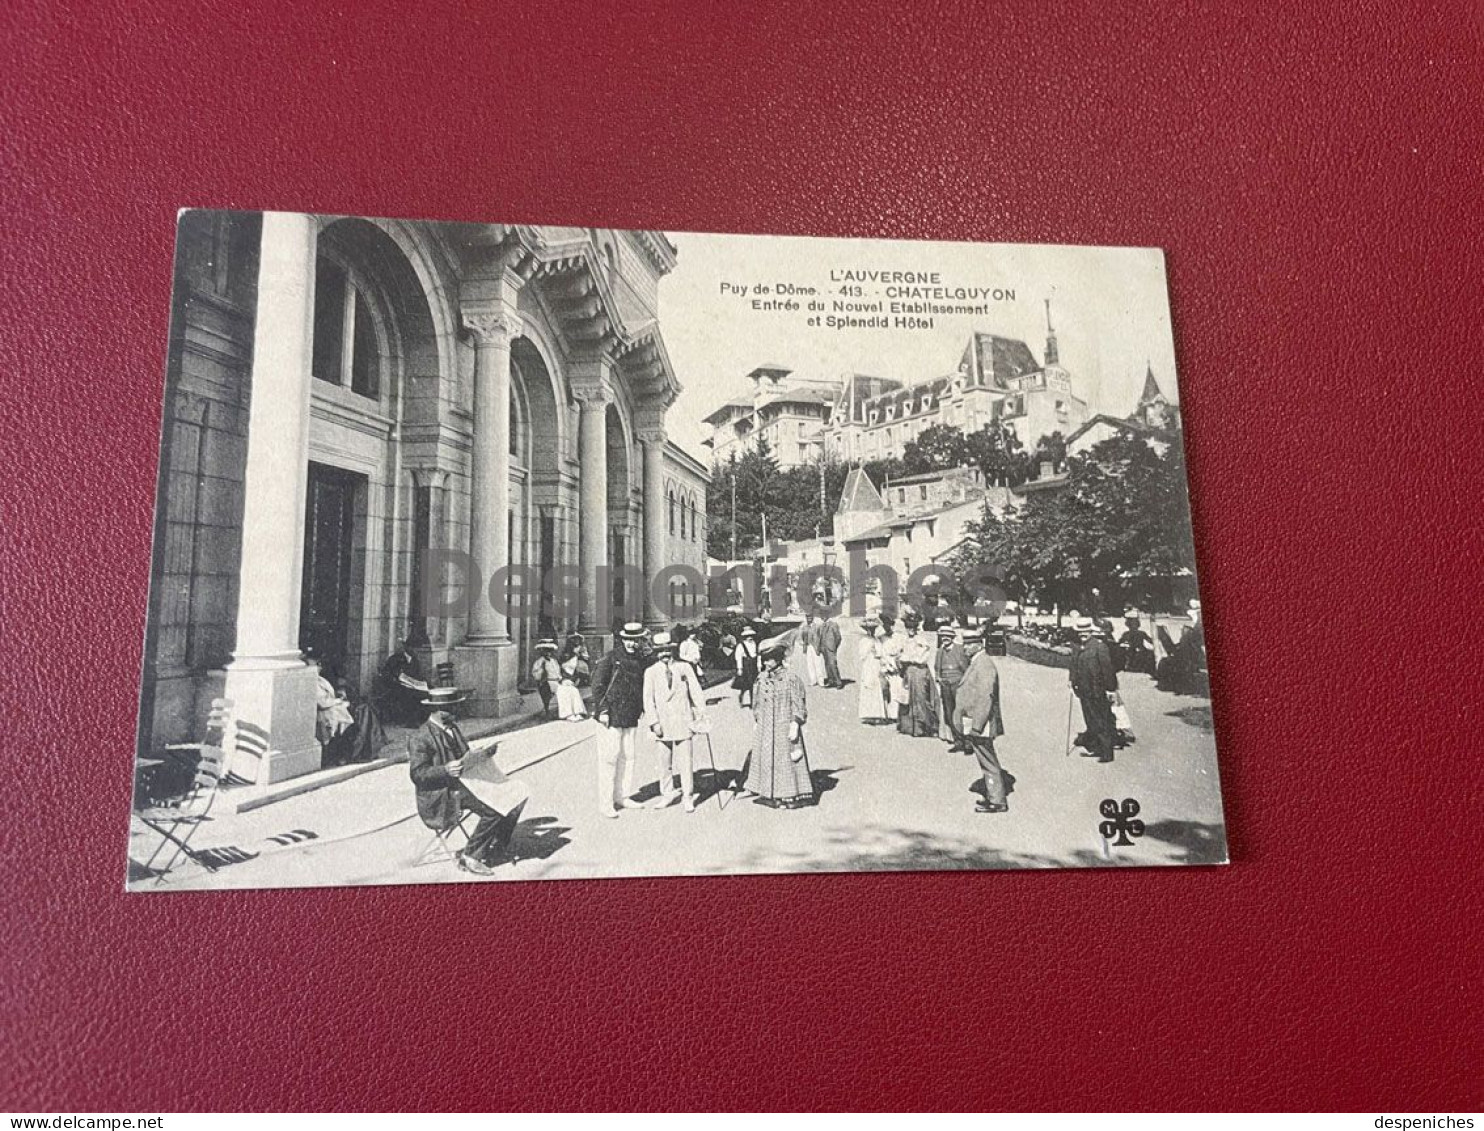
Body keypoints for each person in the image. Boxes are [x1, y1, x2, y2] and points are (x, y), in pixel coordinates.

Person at [408, 687, 529, 876]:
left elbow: (465, 756)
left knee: (516, 794)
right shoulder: (421, 737)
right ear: (438, 711)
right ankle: (471, 856)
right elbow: (418, 774)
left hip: (464, 783)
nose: (457, 711)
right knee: (494, 807)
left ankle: (497, 843)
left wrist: (483, 754)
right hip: (441, 794)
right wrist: (445, 769)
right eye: (452, 708)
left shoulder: (452, 728)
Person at [742, 635, 814, 808]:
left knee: (786, 759)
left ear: (779, 658)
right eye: (764, 660)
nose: (765, 663)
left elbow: (798, 703)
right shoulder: (761, 679)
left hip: (784, 723)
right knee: (768, 758)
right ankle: (771, 794)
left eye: (769, 660)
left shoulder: (791, 679)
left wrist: (796, 723)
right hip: (766, 726)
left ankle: (790, 795)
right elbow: (757, 703)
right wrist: (757, 720)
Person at [589, 622, 652, 817]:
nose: (632, 644)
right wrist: (603, 711)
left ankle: (622, 796)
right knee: (609, 758)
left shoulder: (641, 660)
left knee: (628, 756)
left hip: (631, 715)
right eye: (628, 640)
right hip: (611, 715)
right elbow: (597, 686)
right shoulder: (611, 658)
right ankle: (606, 802)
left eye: (635, 640)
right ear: (622, 639)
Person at [643, 631, 709, 813]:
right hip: (662, 724)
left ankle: (688, 796)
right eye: (660, 651)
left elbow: (696, 691)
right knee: (664, 762)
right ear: (656, 653)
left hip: (683, 720)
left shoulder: (684, 668)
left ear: (672, 650)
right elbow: (648, 700)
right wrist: (653, 722)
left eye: (667, 651)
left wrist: (701, 713)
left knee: (685, 761)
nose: (664, 655)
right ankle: (667, 794)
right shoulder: (651, 672)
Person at [956, 629, 1009, 813]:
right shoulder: (977, 662)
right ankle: (993, 795)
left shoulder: (984, 664)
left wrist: (977, 726)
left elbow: (986, 697)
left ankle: (997, 800)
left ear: (978, 644)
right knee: (985, 760)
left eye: (968, 644)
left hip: (981, 722)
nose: (964, 648)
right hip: (977, 720)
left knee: (988, 761)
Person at [1070, 617, 1119, 763]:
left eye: (1085, 632)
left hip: (1097, 691)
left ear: (1091, 631)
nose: (1082, 634)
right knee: (1090, 720)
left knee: (1101, 721)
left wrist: (1111, 689)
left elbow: (1108, 670)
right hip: (1084, 691)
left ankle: (1106, 753)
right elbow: (1074, 665)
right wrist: (1072, 681)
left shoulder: (1099, 647)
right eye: (1080, 632)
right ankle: (1097, 747)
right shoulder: (1079, 647)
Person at [895, 607, 940, 738]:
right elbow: (899, 654)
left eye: (913, 628)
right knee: (907, 698)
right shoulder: (904, 640)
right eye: (908, 628)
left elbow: (921, 657)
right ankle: (909, 727)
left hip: (919, 671)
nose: (910, 631)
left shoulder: (921, 640)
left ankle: (925, 726)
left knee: (921, 699)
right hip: (908, 672)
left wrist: (908, 658)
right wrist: (900, 660)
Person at [372, 640, 429, 726]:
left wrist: (422, 683)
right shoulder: (395, 659)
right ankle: (406, 721)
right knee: (408, 694)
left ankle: (418, 719)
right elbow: (386, 674)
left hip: (410, 686)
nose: (416, 651)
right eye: (413, 648)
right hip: (395, 687)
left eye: (417, 649)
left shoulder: (415, 661)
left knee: (425, 693)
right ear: (407, 647)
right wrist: (397, 680)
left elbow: (418, 676)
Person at [933, 624, 969, 752]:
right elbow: (936, 667)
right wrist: (939, 678)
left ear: (952, 637)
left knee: (962, 712)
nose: (945, 638)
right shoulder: (940, 651)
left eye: (948, 636)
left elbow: (967, 668)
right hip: (945, 685)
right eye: (943, 636)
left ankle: (967, 741)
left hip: (958, 684)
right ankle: (958, 741)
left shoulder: (960, 649)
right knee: (949, 713)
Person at [857, 619, 890, 724]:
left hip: (876, 664)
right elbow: (861, 655)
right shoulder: (864, 641)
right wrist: (868, 649)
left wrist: (878, 653)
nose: (871, 631)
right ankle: (868, 713)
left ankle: (878, 713)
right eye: (869, 630)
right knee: (868, 686)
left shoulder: (877, 640)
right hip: (868, 665)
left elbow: (882, 653)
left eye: (873, 629)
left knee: (877, 687)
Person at [879, 611, 904, 720]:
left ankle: (896, 714)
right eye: (884, 624)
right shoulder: (881, 638)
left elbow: (901, 652)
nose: (886, 626)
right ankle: (887, 713)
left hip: (896, 667)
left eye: (888, 624)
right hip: (885, 666)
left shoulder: (899, 637)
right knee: (885, 690)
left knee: (896, 690)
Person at [530, 638, 562, 720]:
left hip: (556, 681)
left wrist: (560, 679)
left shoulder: (553, 661)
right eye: (546, 651)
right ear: (542, 651)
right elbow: (536, 674)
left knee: (569, 690)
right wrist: (542, 670)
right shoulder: (539, 662)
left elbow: (557, 672)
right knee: (546, 691)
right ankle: (547, 711)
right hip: (547, 682)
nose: (548, 653)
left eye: (549, 651)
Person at [1119, 611, 1156, 676]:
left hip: (1133, 650)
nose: (1134, 626)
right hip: (1138, 650)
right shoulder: (1140, 633)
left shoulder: (1127, 634)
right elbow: (1150, 641)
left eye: (1135, 624)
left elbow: (1120, 642)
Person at [733, 625, 760, 708]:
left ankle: (753, 703)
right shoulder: (741, 645)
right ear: (744, 637)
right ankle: (741, 696)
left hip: (753, 664)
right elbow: (738, 657)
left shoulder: (755, 644)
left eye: (751, 636)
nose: (750, 638)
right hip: (746, 665)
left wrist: (759, 666)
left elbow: (758, 655)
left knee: (754, 684)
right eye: (748, 636)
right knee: (745, 684)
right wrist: (739, 668)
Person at [818, 612, 843, 688]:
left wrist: (834, 647)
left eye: (824, 615)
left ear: (827, 616)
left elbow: (838, 637)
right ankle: (830, 680)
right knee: (827, 665)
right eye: (821, 615)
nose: (823, 617)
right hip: (824, 648)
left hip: (831, 648)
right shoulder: (821, 626)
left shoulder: (833, 624)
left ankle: (838, 682)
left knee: (833, 664)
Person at [801, 612, 825, 687]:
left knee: (818, 664)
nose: (809, 619)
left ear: (813, 618)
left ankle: (821, 681)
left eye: (810, 618)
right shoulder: (804, 627)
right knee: (810, 664)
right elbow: (803, 637)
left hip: (816, 647)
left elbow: (821, 637)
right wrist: (805, 646)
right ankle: (813, 680)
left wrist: (820, 647)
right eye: (807, 618)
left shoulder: (817, 626)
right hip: (808, 647)